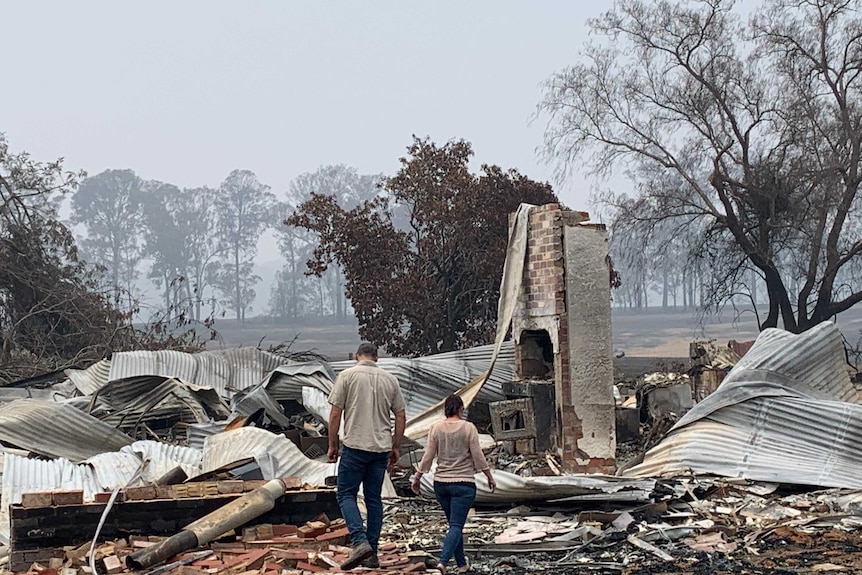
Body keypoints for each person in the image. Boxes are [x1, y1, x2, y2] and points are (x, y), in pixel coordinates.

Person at [328, 342, 406, 571]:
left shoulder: (347, 376)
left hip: (354, 446)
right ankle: (372, 553)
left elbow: (335, 414)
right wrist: (396, 446)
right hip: (380, 449)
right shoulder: (389, 379)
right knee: (373, 500)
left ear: (356, 356)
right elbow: (400, 415)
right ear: (377, 357)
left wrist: (332, 444)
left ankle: (360, 542)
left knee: (345, 494)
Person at [411, 395, 496, 574]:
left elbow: (428, 455)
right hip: (464, 484)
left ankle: (461, 564)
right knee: (456, 526)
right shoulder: (468, 428)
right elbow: (477, 455)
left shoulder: (436, 428)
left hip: (441, 484)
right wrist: (489, 475)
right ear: (460, 409)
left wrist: (418, 477)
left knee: (453, 525)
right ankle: (442, 562)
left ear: (445, 409)